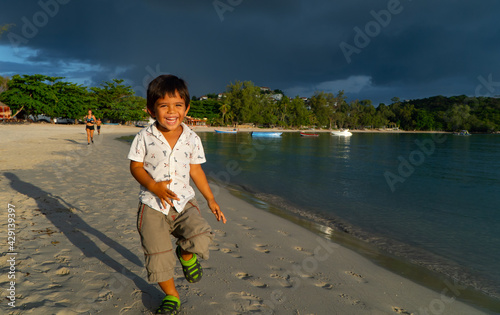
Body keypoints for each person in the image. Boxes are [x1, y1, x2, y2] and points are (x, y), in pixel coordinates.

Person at [128, 74, 226, 314]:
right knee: (158, 255)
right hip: (152, 205)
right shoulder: (143, 137)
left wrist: (210, 199)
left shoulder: (192, 138)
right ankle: (172, 295)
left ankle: (186, 255)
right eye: (164, 106)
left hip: (183, 202)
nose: (171, 112)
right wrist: (154, 187)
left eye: (178, 105)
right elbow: (135, 167)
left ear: (187, 108)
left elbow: (196, 170)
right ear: (151, 110)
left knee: (201, 235)